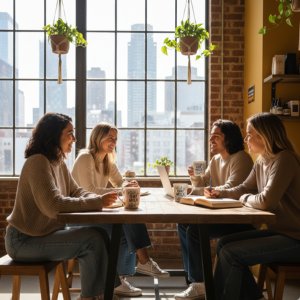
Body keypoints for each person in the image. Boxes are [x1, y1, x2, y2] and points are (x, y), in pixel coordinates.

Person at [5, 113, 120, 300]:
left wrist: (101, 199)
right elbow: (53, 205)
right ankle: (92, 297)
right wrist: (98, 202)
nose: (74, 139)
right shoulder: (37, 162)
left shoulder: (58, 162)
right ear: (54, 134)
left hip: (45, 234)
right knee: (92, 239)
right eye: (70, 133)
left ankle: (104, 293)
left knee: (99, 233)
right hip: (23, 241)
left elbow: (76, 191)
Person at [208, 113, 300, 300]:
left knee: (230, 253)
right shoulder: (262, 160)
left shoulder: (285, 160)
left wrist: (244, 198)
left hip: (295, 239)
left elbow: (267, 201)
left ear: (264, 136)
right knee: (224, 244)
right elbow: (244, 187)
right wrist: (220, 192)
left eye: (250, 134)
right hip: (279, 233)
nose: (245, 139)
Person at [71, 122, 169, 297]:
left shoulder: (108, 160)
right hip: (79, 215)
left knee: (125, 227)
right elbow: (88, 191)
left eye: (115, 139)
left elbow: (119, 183)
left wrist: (128, 185)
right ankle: (144, 261)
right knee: (125, 222)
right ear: (98, 137)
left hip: (96, 213)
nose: (114, 142)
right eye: (110, 138)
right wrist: (120, 191)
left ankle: (119, 281)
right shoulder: (85, 157)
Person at [175, 119, 254, 300]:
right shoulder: (216, 159)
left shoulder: (241, 158)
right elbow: (204, 184)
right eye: (211, 135)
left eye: (216, 136)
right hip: (221, 214)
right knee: (183, 224)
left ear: (229, 139)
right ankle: (195, 280)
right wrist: (195, 177)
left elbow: (232, 188)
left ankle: (199, 282)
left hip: (239, 219)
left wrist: (211, 190)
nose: (211, 139)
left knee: (195, 230)